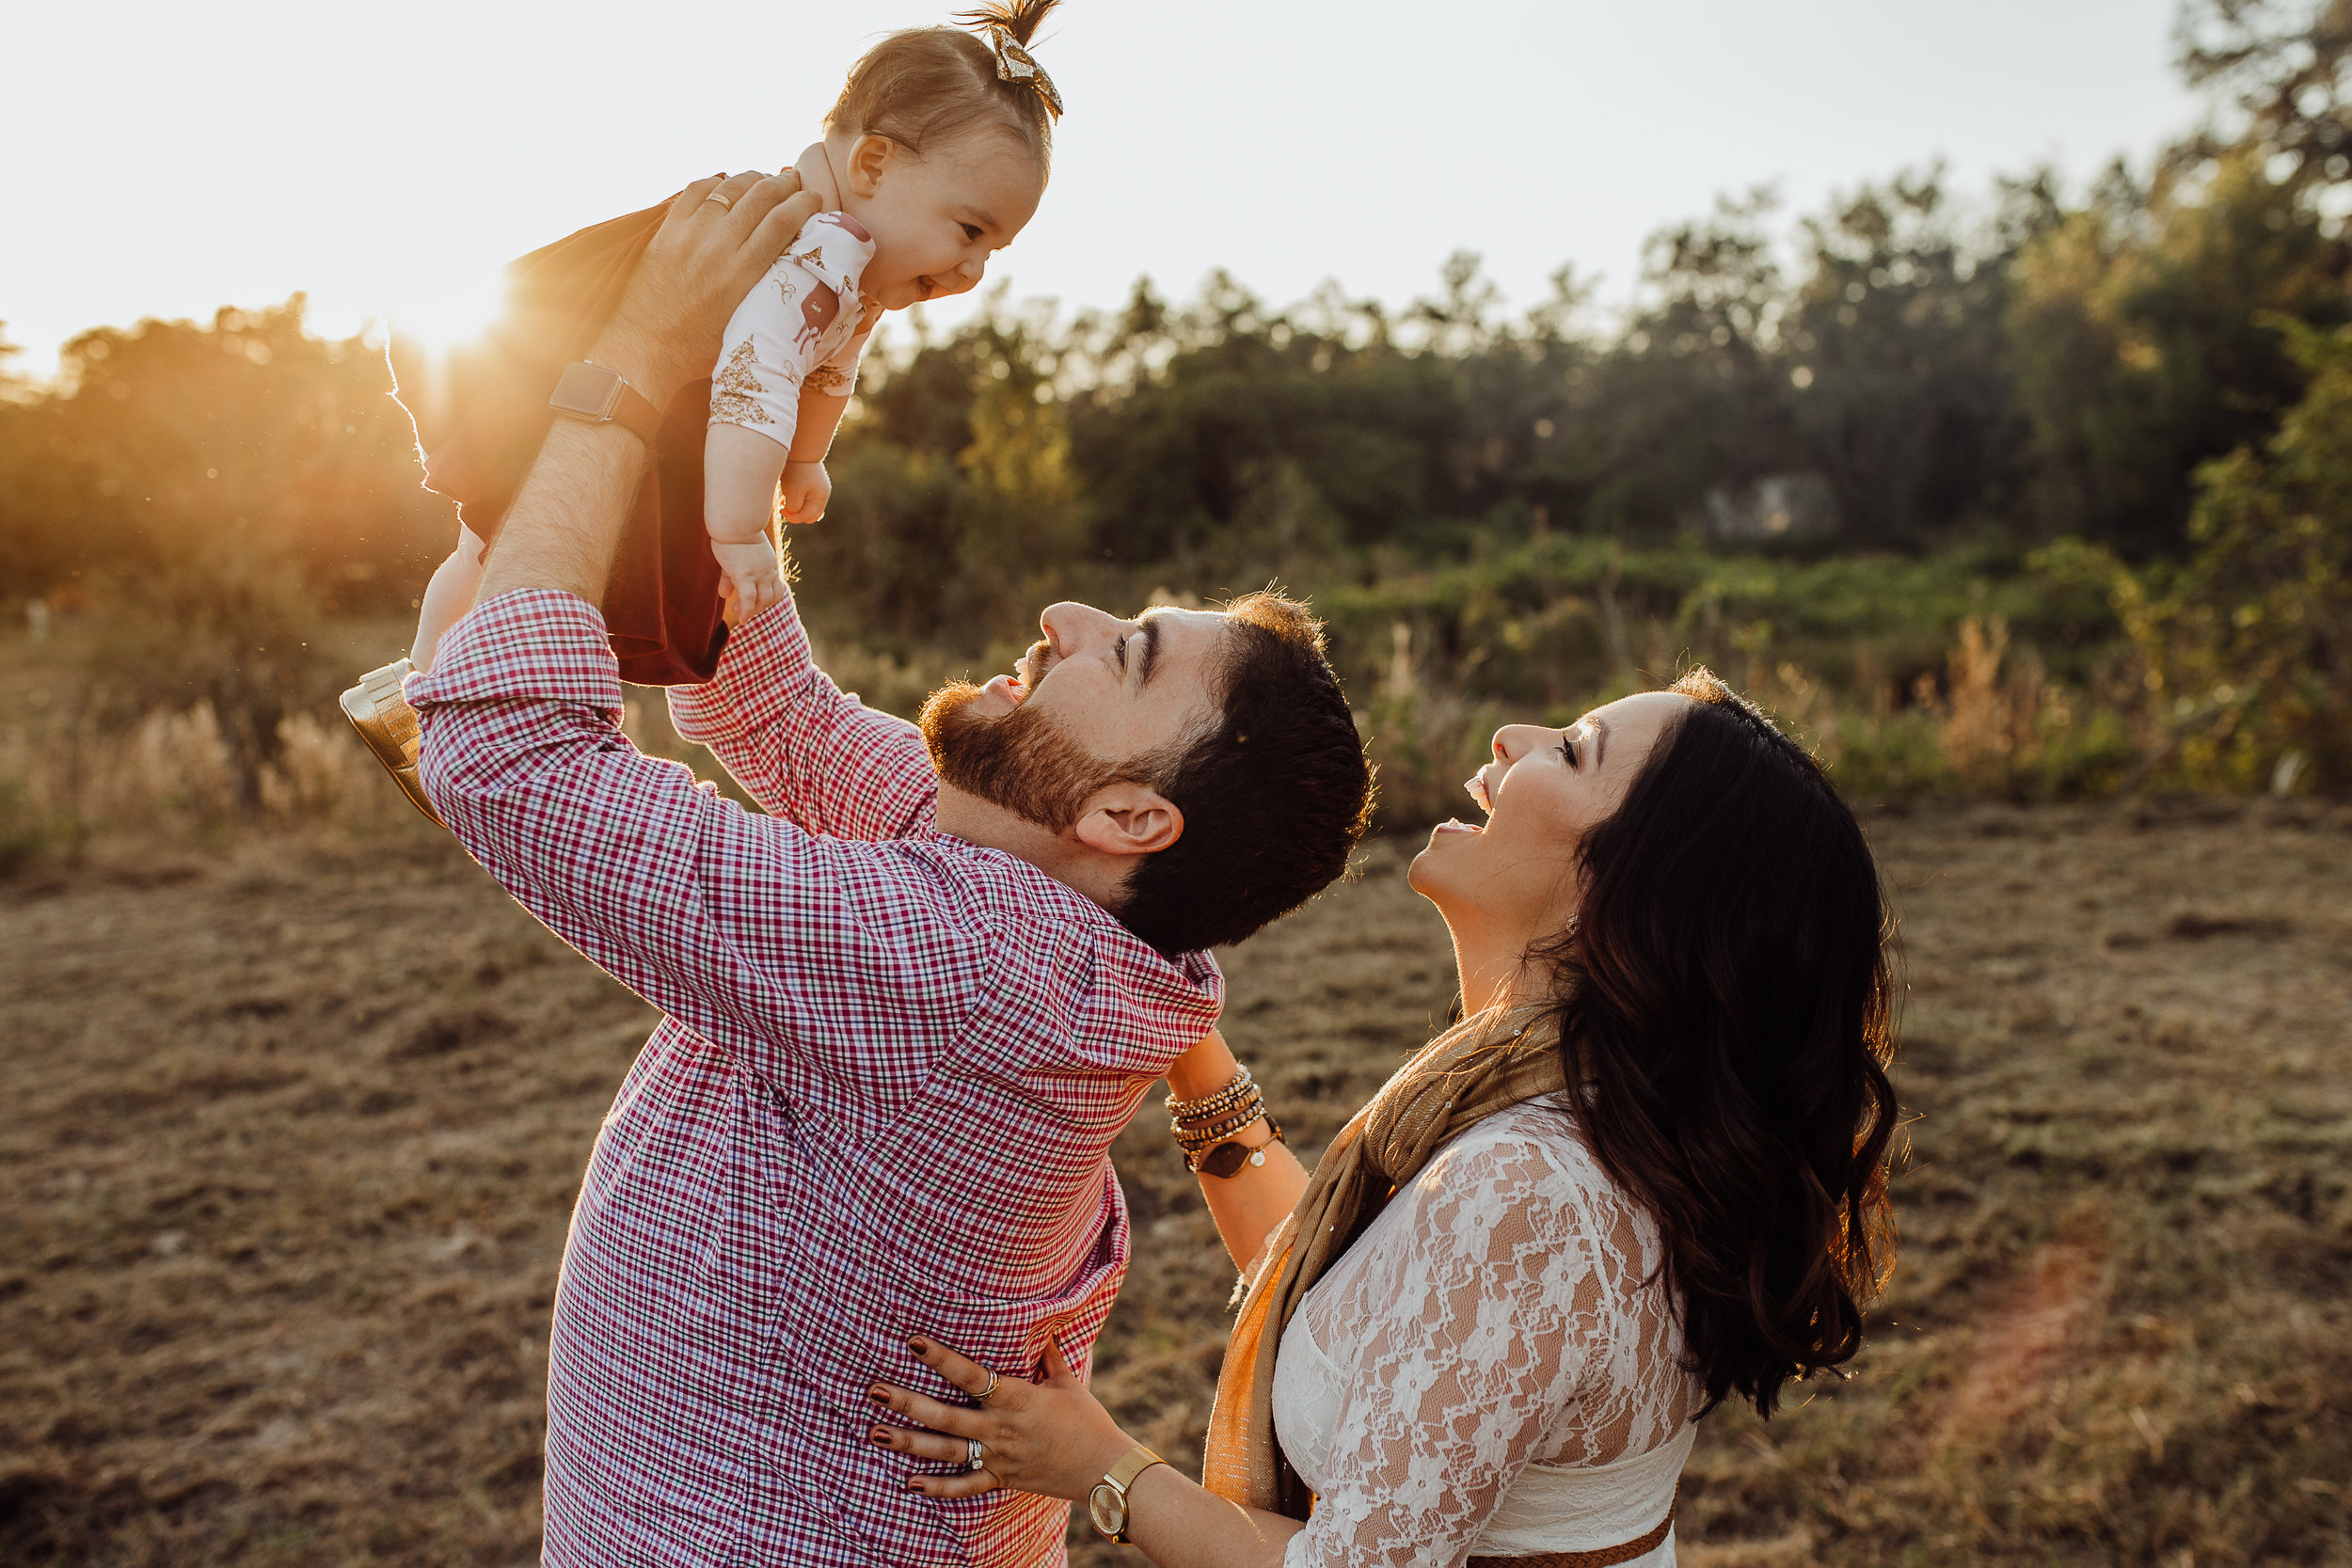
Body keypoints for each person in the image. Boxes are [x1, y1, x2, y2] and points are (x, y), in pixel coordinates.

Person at [397, 172, 1375, 1568]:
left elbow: (512, 758)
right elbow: (764, 703)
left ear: (1128, 817)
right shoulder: (1031, 887)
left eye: (1130, 653)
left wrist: (625, 372)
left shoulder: (965, 962)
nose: (1067, 614)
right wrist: (778, 376)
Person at [868, 674, 1901, 1568]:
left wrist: (1100, 1465)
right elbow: (1349, 1295)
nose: (1512, 736)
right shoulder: (1565, 1118)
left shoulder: (1528, 1194)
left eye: (1572, 750)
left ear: (1625, 893)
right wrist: (1190, 1048)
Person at [392, 0, 1066, 694]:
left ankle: (437, 682)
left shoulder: (856, 268)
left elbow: (831, 366)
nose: (973, 271)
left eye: (995, 250)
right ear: (872, 164)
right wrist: (742, 533)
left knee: (504, 551)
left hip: (644, 401)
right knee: (495, 551)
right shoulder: (814, 253)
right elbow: (760, 378)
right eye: (969, 231)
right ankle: (426, 685)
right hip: (592, 372)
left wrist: (805, 456)